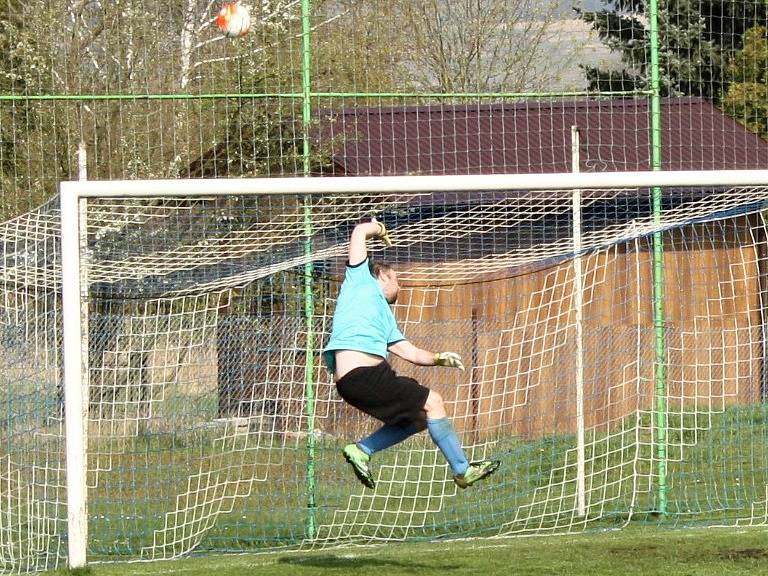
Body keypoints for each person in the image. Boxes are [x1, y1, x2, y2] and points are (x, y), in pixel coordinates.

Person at [322, 218, 500, 490]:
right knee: (434, 401)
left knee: (418, 418)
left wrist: (439, 358)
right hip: (362, 376)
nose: (400, 287)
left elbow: (411, 352)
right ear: (381, 275)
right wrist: (379, 229)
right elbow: (359, 232)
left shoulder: (386, 318)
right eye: (397, 279)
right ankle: (462, 470)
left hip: (358, 381)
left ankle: (362, 450)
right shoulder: (360, 280)